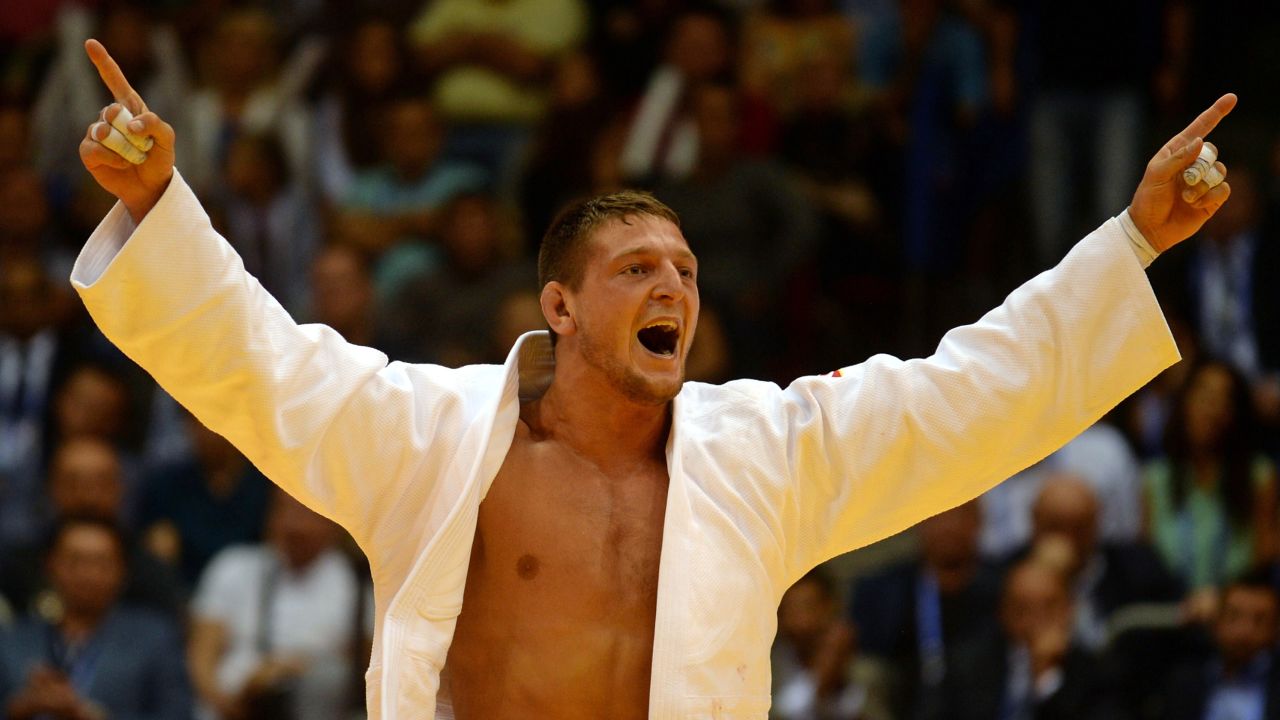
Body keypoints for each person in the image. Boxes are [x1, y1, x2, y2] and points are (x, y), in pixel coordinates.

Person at [74, 39, 1234, 719]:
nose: (672, 286)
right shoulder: (424, 432)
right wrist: (153, 207)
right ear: (561, 307)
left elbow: (960, 396)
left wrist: (1127, 244)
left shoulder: (762, 451)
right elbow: (257, 365)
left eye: (683, 269)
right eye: (636, 268)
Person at [0, 515, 193, 720]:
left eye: (101, 562)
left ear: (123, 569)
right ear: (50, 565)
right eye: (75, 560)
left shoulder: (155, 638)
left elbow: (178, 714)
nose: (87, 574)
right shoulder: (12, 640)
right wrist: (18, 709)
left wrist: (94, 717)